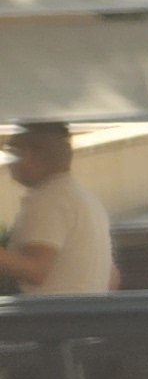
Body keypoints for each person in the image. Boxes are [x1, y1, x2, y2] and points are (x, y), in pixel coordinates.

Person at [2, 123, 116, 296]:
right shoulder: (86, 199)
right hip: (87, 309)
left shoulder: (48, 200)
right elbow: (112, 277)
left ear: (27, 154)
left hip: (49, 311)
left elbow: (36, 271)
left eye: (10, 152)